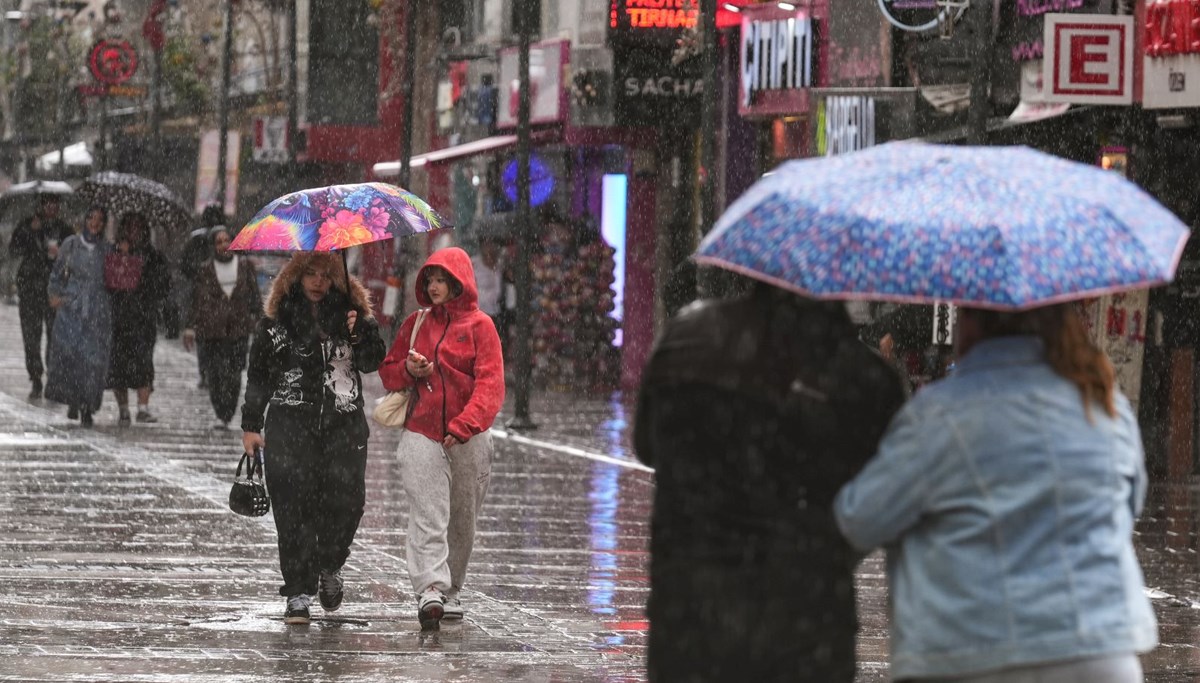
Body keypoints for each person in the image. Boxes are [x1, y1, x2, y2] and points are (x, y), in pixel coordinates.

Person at [835, 304, 1159, 683]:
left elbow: (859, 519)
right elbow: (1126, 505)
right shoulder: (1105, 407)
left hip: (970, 653)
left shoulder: (937, 417)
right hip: (1099, 650)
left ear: (970, 325)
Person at [633, 281, 907, 682]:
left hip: (689, 620)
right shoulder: (866, 378)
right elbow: (880, 506)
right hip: (808, 630)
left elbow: (647, 446)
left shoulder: (689, 335)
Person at [240, 252, 385, 625]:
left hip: (344, 427)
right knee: (292, 510)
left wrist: (360, 332)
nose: (318, 282)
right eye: (311, 274)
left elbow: (372, 362)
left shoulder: (354, 315)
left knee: (348, 503)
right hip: (290, 427)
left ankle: (330, 564)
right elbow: (258, 376)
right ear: (296, 276)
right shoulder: (277, 324)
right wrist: (251, 426)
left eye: (326, 275)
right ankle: (298, 592)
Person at [378, 247, 505, 631]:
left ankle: (452, 588)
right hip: (422, 431)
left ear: (457, 282)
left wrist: (465, 425)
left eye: (440, 280)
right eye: (429, 280)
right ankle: (430, 587)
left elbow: (491, 384)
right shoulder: (416, 323)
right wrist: (409, 369)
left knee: (463, 517)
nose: (433, 287)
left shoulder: (482, 327)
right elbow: (388, 373)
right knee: (428, 511)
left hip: (469, 437)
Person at [183, 226, 261, 430]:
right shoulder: (205, 269)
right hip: (212, 330)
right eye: (219, 242)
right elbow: (196, 300)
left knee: (234, 373)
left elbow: (255, 297)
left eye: (227, 240)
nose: (224, 245)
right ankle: (220, 412)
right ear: (213, 246)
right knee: (215, 373)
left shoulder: (245, 266)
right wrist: (190, 326)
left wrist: (259, 320)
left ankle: (228, 412)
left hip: (238, 329)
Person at [45, 206, 112, 428]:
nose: (95, 223)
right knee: (69, 355)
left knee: (93, 361)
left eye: (100, 220)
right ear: (84, 220)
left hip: (97, 312)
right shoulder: (71, 245)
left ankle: (88, 405)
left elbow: (113, 278)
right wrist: (55, 295)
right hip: (71, 308)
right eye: (91, 218)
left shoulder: (106, 249)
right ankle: (72, 399)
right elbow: (57, 272)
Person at [107, 212, 171, 426]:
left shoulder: (153, 256)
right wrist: (123, 259)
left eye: (138, 226)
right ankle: (123, 408)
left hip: (144, 318)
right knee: (118, 364)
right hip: (119, 317)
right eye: (130, 226)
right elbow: (108, 281)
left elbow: (163, 285)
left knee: (144, 362)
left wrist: (143, 272)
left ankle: (143, 407)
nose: (134, 231)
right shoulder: (114, 252)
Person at [10, 194, 73, 399]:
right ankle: (35, 375)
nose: (51, 208)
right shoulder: (27, 225)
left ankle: (53, 374)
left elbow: (74, 255)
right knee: (31, 334)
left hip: (54, 289)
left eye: (55, 204)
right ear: (40, 205)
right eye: (47, 204)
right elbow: (14, 249)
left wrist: (60, 255)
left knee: (56, 335)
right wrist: (30, 232)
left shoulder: (64, 229)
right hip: (30, 287)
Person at [179, 204, 224, 389]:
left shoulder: (196, 238)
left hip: (204, 291)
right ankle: (212, 372)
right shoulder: (222, 237)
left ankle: (206, 373)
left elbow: (184, 265)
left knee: (206, 336)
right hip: (215, 292)